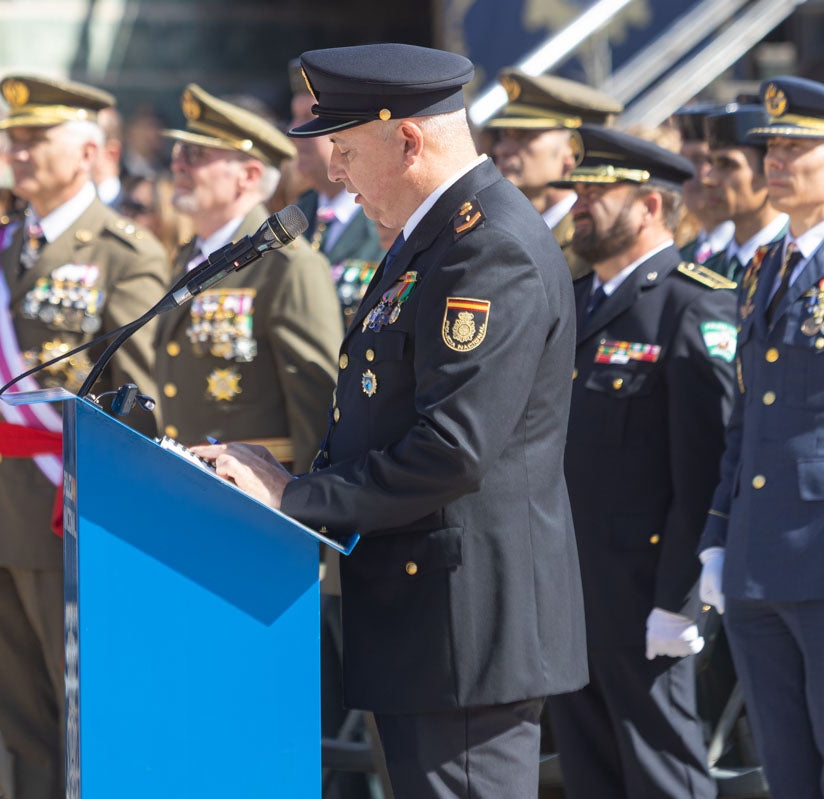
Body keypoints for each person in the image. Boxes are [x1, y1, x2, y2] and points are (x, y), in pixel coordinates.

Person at [195, 43, 588, 799]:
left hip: (464, 629)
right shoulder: (432, 241)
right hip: (422, 617)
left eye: (343, 147)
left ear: (407, 140)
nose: (333, 170)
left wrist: (293, 496)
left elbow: (451, 450)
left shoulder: (487, 248)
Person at [0, 75, 168, 799]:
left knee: (82, 713)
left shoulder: (124, 252)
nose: (20, 152)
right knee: (16, 718)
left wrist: (108, 514)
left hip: (62, 510)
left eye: (39, 139)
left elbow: (136, 405)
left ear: (91, 151)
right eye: (17, 138)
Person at [548, 125, 734, 799]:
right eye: (579, 191)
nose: (580, 206)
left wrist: (678, 601)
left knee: (662, 773)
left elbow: (707, 471)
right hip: (570, 590)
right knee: (589, 771)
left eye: (599, 193)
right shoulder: (573, 302)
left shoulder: (691, 303)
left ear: (652, 206)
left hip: (646, 591)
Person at [697, 75, 824, 799]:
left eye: (798, 145)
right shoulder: (766, 268)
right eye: (771, 147)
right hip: (756, 556)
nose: (778, 159)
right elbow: (747, 415)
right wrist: (719, 532)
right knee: (785, 767)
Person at [154, 83, 340, 472]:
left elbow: (318, 407)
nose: (179, 166)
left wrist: (306, 513)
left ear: (249, 175)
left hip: (255, 498)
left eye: (197, 154)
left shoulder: (288, 266)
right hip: (186, 485)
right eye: (178, 153)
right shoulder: (190, 256)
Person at [485, 68, 623, 281]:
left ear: (572, 149)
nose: (502, 149)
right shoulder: (494, 227)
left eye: (523, 136)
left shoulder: (593, 238)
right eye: (504, 135)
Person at [289, 61, 385, 328]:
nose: (294, 131)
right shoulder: (296, 215)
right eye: (293, 116)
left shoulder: (386, 218)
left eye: (308, 119)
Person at [700, 104, 789, 282]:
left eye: (728, 165)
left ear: (769, 171)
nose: (709, 179)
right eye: (711, 164)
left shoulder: (793, 267)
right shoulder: (709, 268)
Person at [673, 104, 735, 263]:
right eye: (682, 160)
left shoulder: (749, 256)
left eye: (700, 160)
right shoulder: (684, 255)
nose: (687, 173)